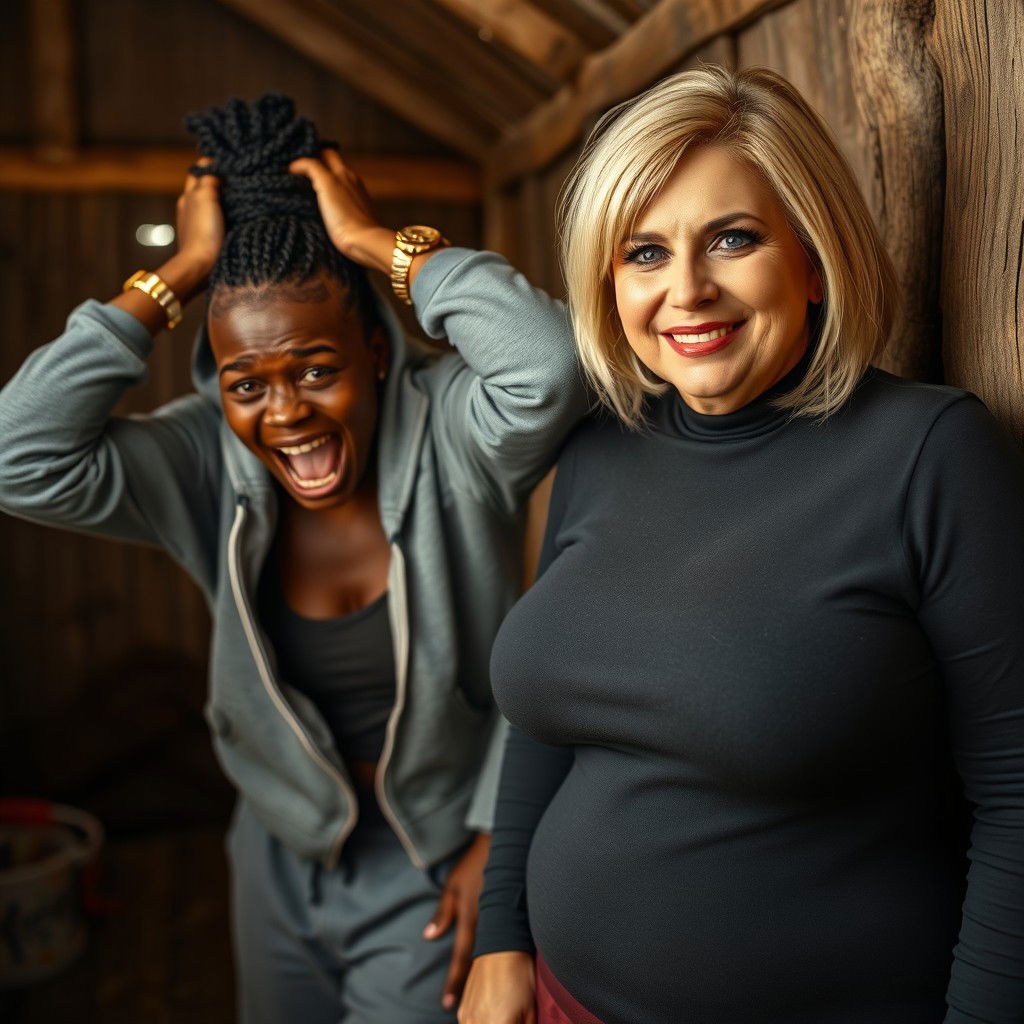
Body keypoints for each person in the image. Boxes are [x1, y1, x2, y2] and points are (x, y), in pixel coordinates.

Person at [0, 94, 588, 1023]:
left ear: (378, 350)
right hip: (274, 854)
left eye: (317, 369)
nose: (285, 415)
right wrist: (176, 277)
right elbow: (15, 455)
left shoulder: (454, 435)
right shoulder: (202, 458)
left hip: (433, 862)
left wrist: (378, 244)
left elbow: (551, 363)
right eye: (248, 384)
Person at [458, 65, 1024, 1024]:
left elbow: (1018, 797)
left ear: (813, 256)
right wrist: (504, 935)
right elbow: (548, 725)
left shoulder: (928, 453)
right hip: (559, 1002)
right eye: (644, 252)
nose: (687, 290)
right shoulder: (602, 443)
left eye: (732, 238)